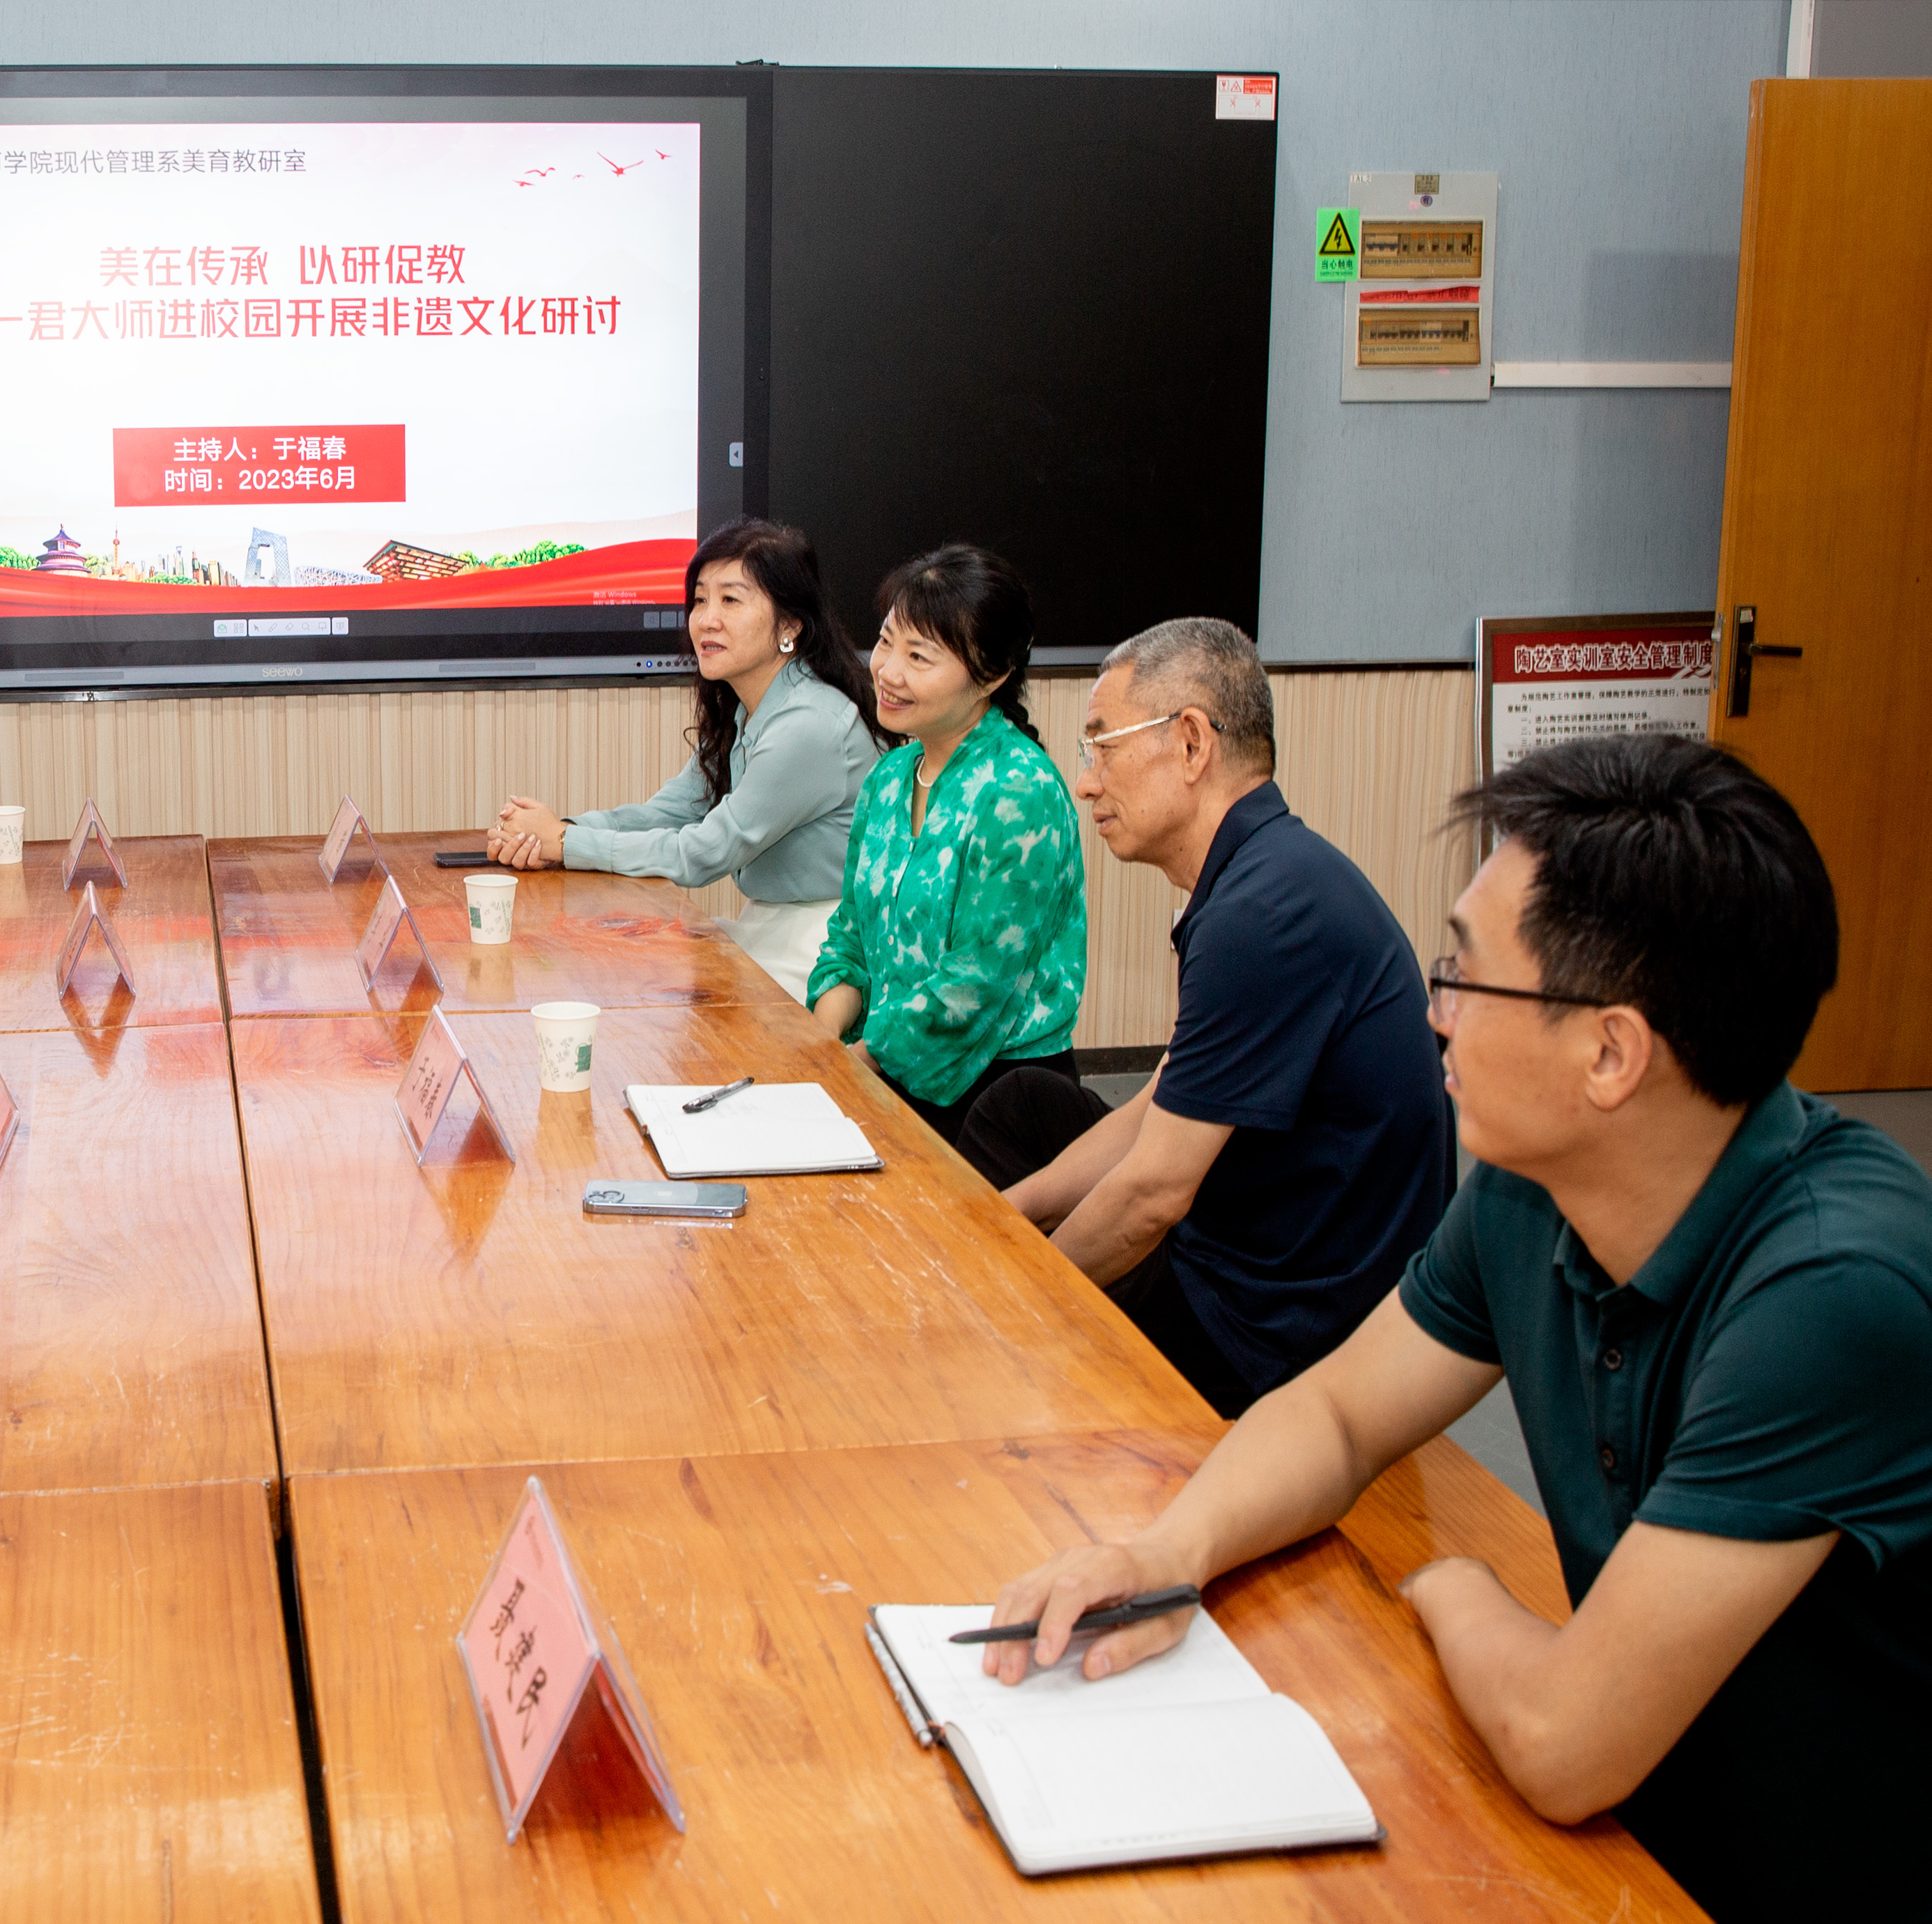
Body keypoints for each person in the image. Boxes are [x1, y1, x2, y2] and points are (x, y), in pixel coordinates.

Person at [980, 734, 1930, 1924]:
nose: (1430, 1011)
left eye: (1464, 976)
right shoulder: (1535, 1186)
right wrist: (1164, 1553)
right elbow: (1335, 1411)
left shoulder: (1829, 1292)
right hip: (1635, 1861)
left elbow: (1561, 1739)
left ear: (1610, 1054)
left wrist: (1454, 1586)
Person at [966, 619, 1453, 1415]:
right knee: (1022, 1107)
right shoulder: (1265, 871)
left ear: (1191, 744)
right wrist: (1001, 1219)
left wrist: (1012, 1290)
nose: (1086, 782)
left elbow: (1154, 1194)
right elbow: (1161, 1101)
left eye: (1102, 747)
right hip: (1254, 1232)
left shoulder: (1258, 914)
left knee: (1006, 1336)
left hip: (1272, 1323)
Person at [486, 519, 889, 993]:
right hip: (770, 927)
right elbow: (670, 813)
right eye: (700, 600)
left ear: (789, 625)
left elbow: (703, 853)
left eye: (730, 600)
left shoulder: (809, 723)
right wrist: (556, 832)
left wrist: (562, 842)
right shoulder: (748, 707)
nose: (706, 620)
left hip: (825, 949)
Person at [805, 545, 1087, 1150]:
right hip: (882, 1068)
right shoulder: (889, 776)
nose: (887, 671)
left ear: (991, 674)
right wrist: (822, 1047)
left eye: (919, 656)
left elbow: (974, 984)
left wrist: (857, 1063)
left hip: (996, 1097)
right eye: (886, 643)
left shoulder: (1019, 790)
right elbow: (851, 934)